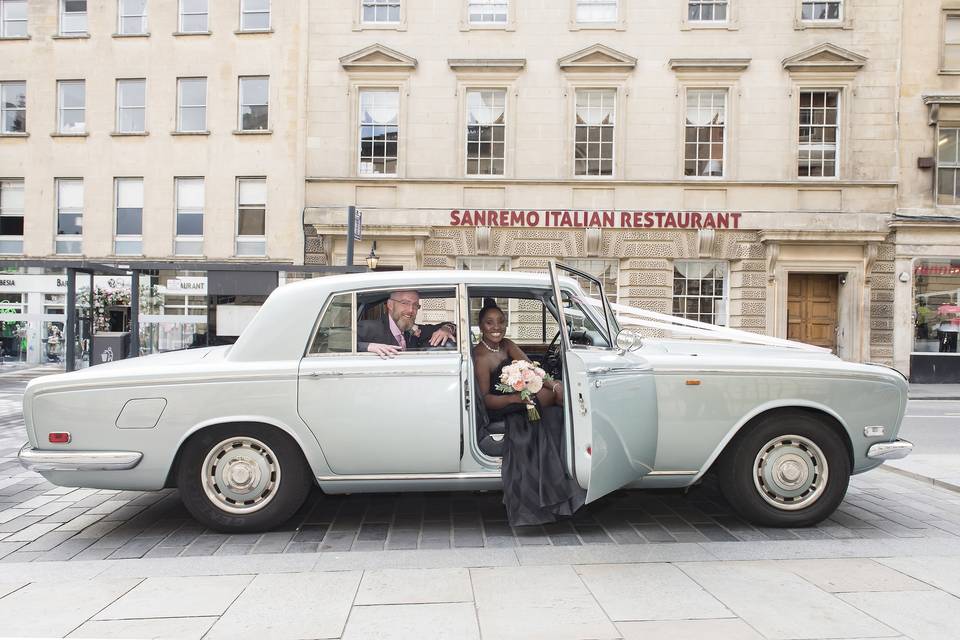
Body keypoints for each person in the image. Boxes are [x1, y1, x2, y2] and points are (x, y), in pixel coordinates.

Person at [472, 298, 585, 526]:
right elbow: (486, 400)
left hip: (522, 397)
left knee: (557, 399)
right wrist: (514, 398)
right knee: (554, 403)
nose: (496, 327)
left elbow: (532, 369)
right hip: (503, 406)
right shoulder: (481, 357)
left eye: (501, 321)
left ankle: (572, 464)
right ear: (481, 325)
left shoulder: (507, 344)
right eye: (489, 322)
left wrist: (554, 385)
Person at [358, 289, 457, 358]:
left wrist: (446, 329)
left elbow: (452, 326)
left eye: (415, 305)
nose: (411, 310)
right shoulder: (368, 327)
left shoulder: (414, 330)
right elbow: (348, 343)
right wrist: (369, 346)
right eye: (405, 303)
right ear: (390, 305)